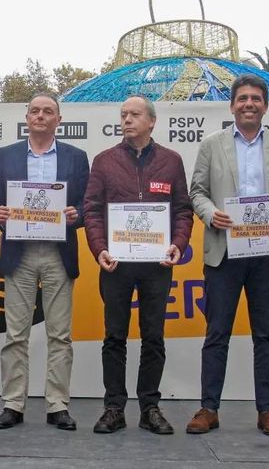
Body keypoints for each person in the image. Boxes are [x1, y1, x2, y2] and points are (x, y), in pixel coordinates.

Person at [186, 74, 269, 437]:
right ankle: (208, 408)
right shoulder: (211, 144)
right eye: (242, 99)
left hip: (268, 253)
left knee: (266, 335)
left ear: (265, 106)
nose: (248, 104)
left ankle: (267, 410)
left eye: (255, 98)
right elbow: (197, 192)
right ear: (232, 105)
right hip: (224, 252)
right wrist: (209, 214)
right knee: (216, 333)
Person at [83, 94, 193, 435]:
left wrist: (178, 244)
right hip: (115, 264)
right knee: (114, 337)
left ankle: (150, 408)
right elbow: (92, 210)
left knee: (153, 338)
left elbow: (183, 210)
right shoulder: (103, 161)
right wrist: (99, 249)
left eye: (134, 114)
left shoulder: (172, 161)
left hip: (157, 265)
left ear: (152, 121)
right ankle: (114, 407)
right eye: (123, 114)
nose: (127, 120)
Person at [0, 93, 89, 431]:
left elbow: (88, 205)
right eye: (35, 111)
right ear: (26, 117)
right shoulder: (8, 155)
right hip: (20, 253)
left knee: (60, 335)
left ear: (58, 119)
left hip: (59, 253)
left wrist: (78, 214)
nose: (41, 116)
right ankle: (13, 404)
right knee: (15, 335)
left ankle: (57, 404)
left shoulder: (77, 157)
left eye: (48, 111)